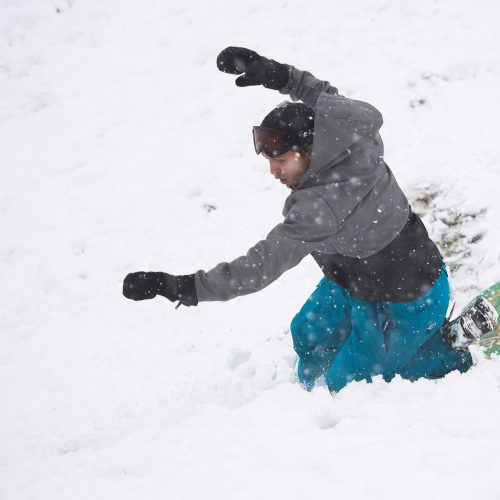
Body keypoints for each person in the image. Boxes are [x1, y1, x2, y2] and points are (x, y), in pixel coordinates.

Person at [123, 47, 497, 393]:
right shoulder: (348, 134)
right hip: (355, 282)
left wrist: (184, 287)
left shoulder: (321, 209)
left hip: (407, 301)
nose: (272, 171)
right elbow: (325, 98)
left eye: (280, 161)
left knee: (344, 384)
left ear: (309, 151)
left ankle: (447, 347)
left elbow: (259, 266)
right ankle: (352, 368)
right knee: (306, 334)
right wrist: (277, 74)